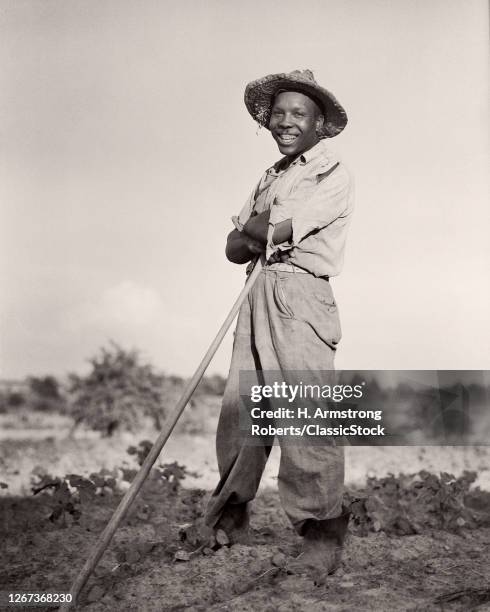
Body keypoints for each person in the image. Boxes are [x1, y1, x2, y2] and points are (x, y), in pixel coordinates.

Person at [204, 69, 354, 577]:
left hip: (299, 292)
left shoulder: (331, 171)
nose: (285, 121)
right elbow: (233, 247)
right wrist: (255, 234)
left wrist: (257, 231)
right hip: (255, 287)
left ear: (319, 125)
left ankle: (322, 534)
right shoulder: (270, 176)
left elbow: (276, 229)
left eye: (299, 114)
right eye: (279, 113)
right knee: (240, 410)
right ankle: (230, 515)